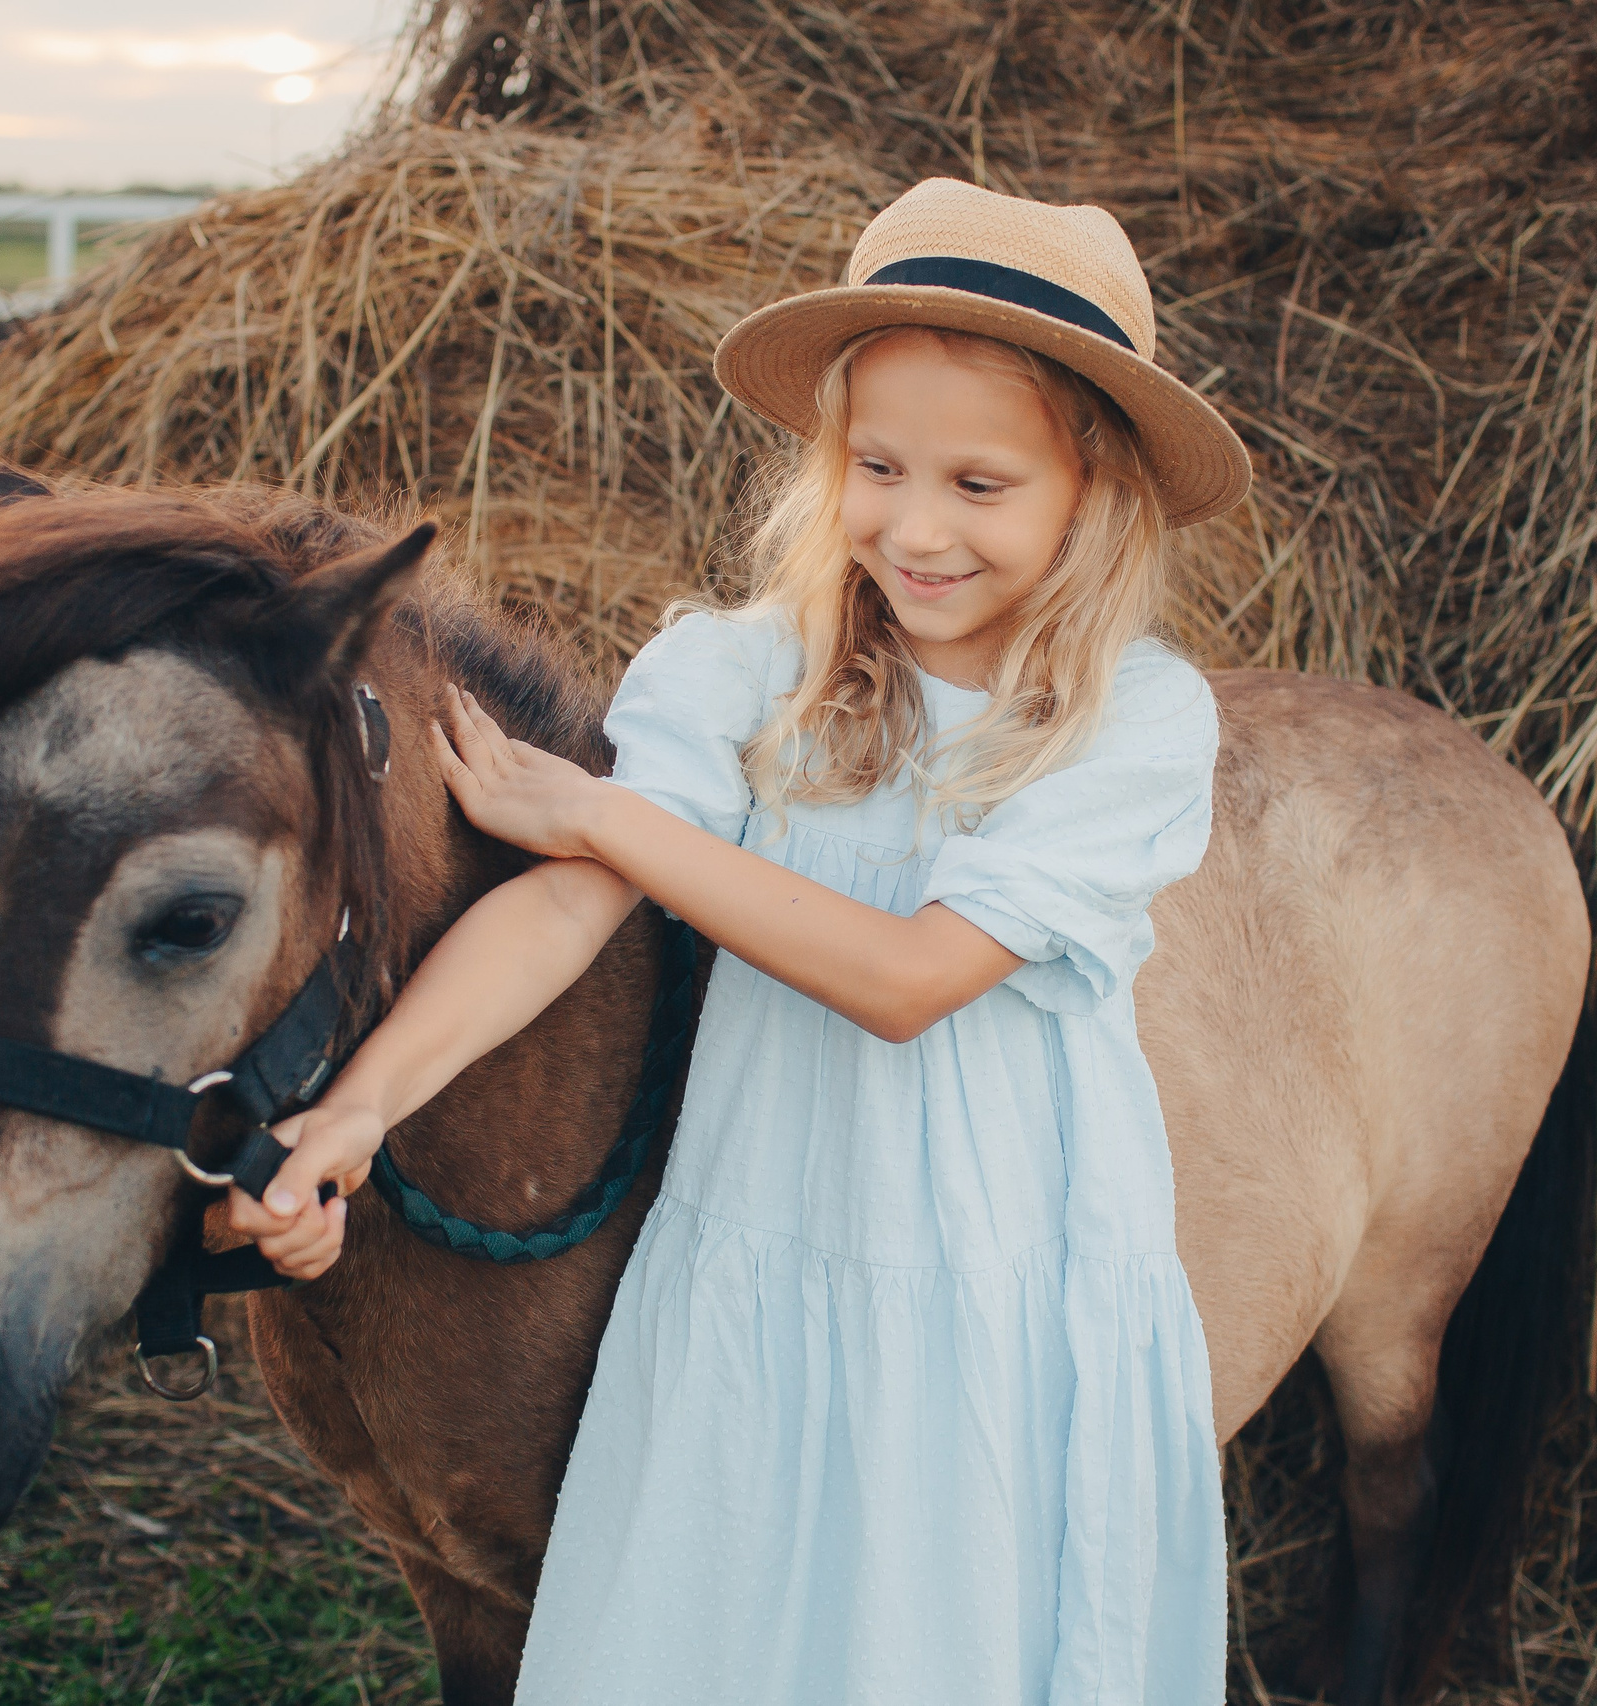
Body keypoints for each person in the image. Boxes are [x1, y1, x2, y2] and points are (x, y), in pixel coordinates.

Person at [231, 176, 1255, 1704]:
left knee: (952, 1632)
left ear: (1092, 494)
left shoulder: (1131, 723)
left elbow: (909, 980)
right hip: (762, 1242)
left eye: (980, 485)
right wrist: (360, 1106)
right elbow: (569, 904)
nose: (915, 527)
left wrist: (613, 820)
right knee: (736, 1619)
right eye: (880, 465)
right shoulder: (735, 670)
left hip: (990, 1270)